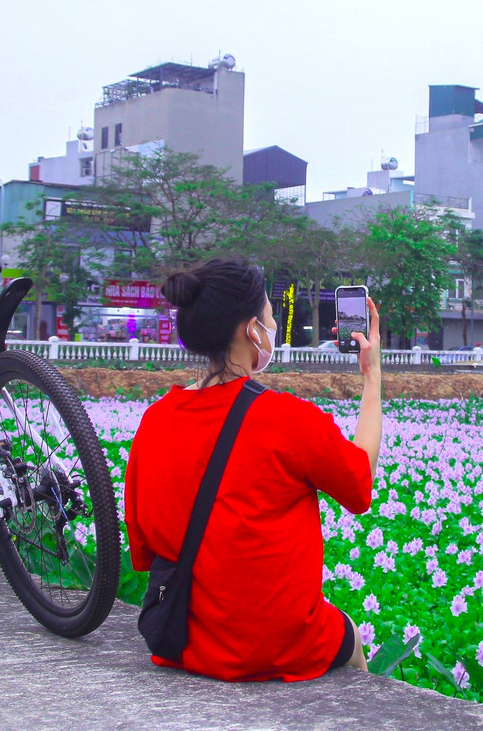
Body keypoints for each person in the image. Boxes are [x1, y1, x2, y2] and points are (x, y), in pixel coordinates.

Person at [124, 259, 383, 681]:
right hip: (277, 643)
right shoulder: (288, 418)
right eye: (269, 314)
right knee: (349, 632)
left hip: (182, 639)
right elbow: (359, 485)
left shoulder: (154, 420)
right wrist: (372, 377)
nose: (274, 324)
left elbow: (144, 545)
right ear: (251, 329)